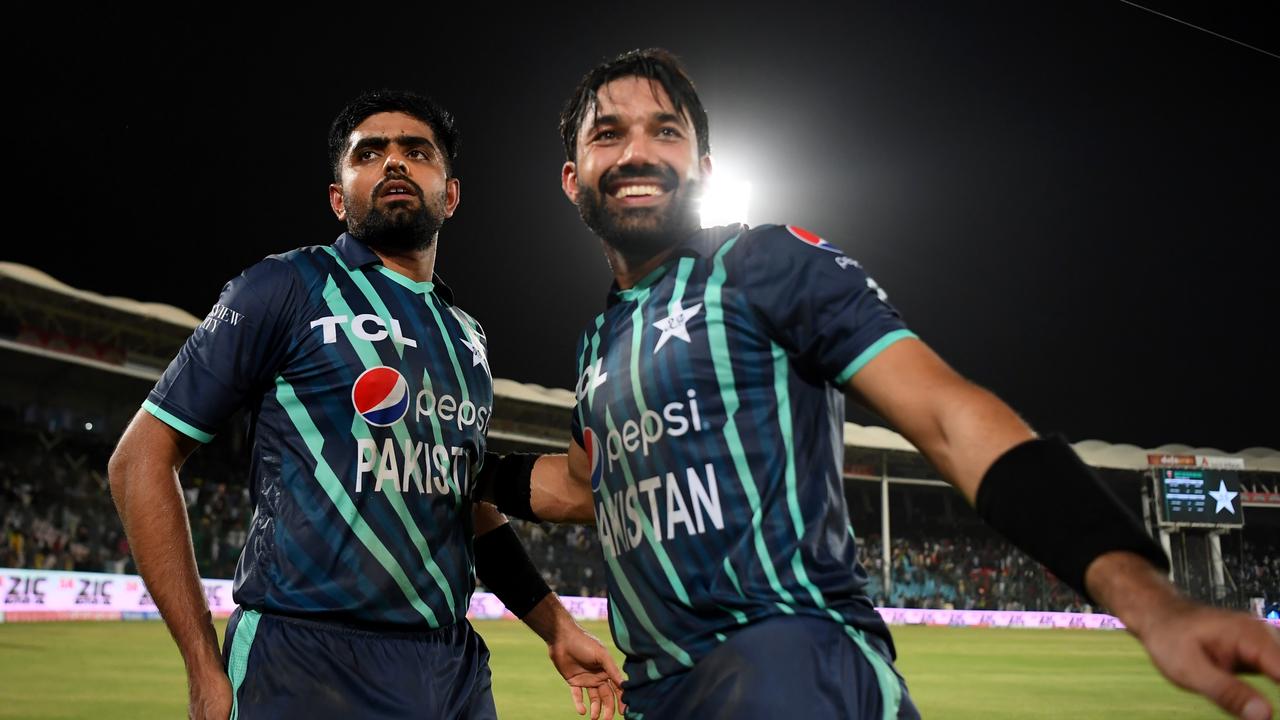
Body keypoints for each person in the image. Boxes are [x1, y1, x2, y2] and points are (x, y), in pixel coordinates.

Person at [474, 49, 1280, 720]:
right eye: (609, 134)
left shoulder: (765, 263)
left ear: (704, 167)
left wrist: (1150, 602)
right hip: (657, 692)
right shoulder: (598, 343)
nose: (638, 151)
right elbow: (587, 485)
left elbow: (946, 414)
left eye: (666, 131)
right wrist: (461, 474)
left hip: (792, 668)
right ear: (574, 178)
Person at [108, 89, 623, 720]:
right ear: (337, 196)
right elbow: (140, 460)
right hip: (302, 663)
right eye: (370, 152)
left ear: (451, 194)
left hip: (451, 670)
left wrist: (556, 627)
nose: (395, 163)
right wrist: (202, 667)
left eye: (416, 151)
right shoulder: (284, 286)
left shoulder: (468, 338)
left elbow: (469, 504)